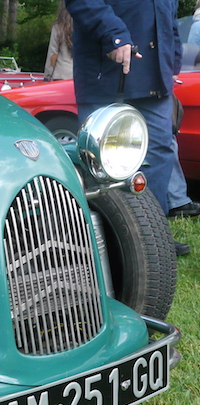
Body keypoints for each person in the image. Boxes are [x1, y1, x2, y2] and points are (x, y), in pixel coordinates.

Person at [65, 0, 189, 255]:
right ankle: (100, 241)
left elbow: (168, 13)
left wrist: (173, 58)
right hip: (106, 73)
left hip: (155, 75)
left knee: (159, 152)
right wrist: (114, 35)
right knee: (98, 160)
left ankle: (153, 237)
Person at [44, 0, 73, 81]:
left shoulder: (58, 29)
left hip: (61, 75)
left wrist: (47, 76)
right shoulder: (82, 29)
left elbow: (53, 55)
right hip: (78, 75)